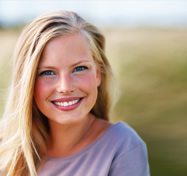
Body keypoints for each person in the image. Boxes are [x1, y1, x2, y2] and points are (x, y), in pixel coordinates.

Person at [0, 11, 150, 176]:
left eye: (79, 68)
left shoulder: (123, 147)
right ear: (28, 82)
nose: (65, 87)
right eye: (48, 72)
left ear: (98, 73)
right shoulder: (5, 143)